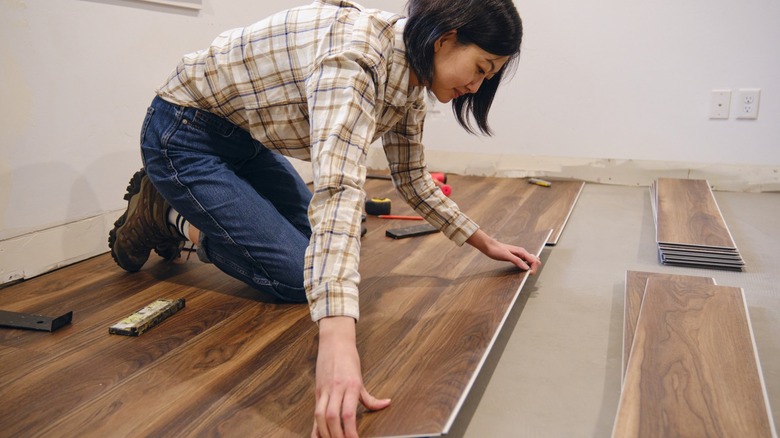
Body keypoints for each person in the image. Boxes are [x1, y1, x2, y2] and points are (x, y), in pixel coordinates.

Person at [108, 0, 540, 435]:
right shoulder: (355, 61)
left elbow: (411, 177)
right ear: (446, 38)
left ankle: (181, 204)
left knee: (317, 250)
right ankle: (169, 217)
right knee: (299, 277)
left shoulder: (410, 71)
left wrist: (484, 242)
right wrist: (337, 346)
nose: (478, 84)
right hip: (183, 134)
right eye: (482, 68)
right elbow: (337, 191)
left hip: (244, 140)